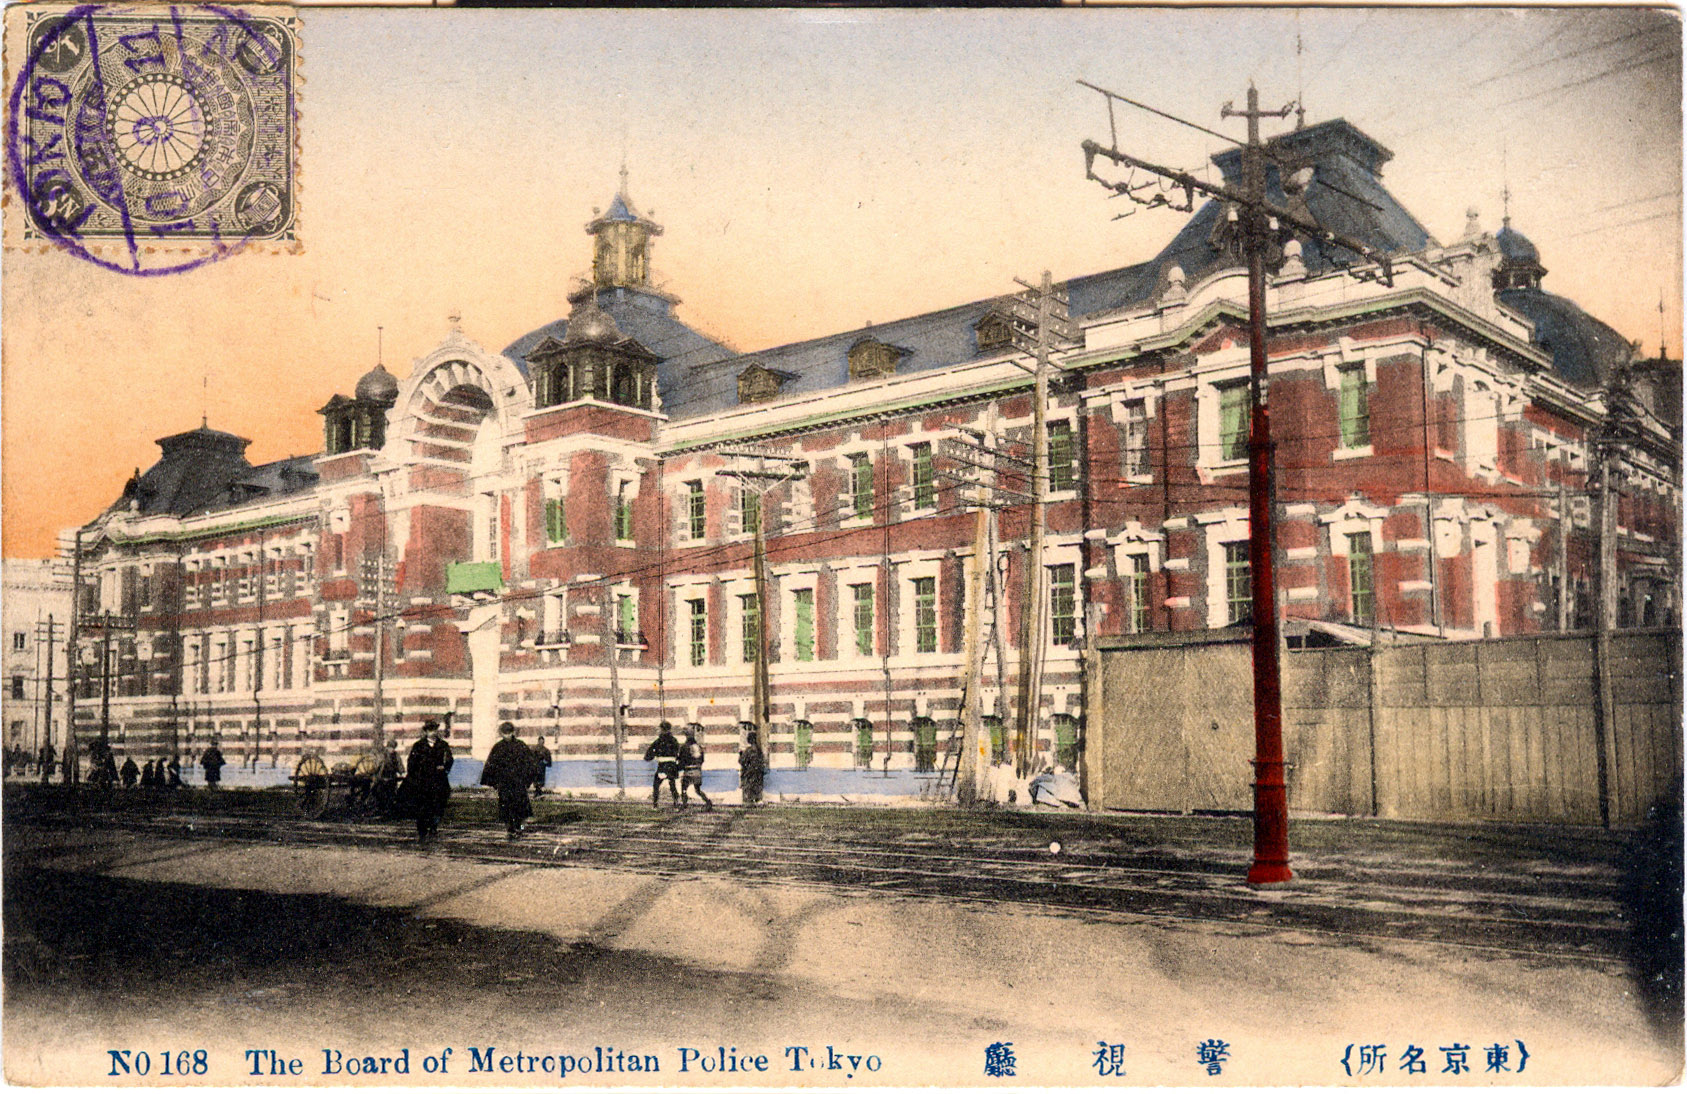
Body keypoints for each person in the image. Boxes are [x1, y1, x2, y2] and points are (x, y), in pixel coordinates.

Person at [397, 719, 453, 842]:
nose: (433, 733)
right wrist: (415, 776)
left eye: (434, 730)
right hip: (423, 782)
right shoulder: (418, 746)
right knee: (422, 806)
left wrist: (445, 767)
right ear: (426, 732)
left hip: (439, 780)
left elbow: (449, 759)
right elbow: (411, 763)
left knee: (438, 804)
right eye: (430, 730)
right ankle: (422, 830)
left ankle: (433, 826)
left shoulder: (443, 745)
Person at [480, 721, 537, 839]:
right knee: (506, 808)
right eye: (505, 733)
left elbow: (530, 763)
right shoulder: (498, 747)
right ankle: (510, 829)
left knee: (521, 809)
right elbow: (491, 764)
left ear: (513, 732)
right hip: (504, 784)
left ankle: (520, 829)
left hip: (518, 783)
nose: (507, 735)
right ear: (501, 733)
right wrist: (494, 782)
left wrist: (527, 780)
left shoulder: (521, 746)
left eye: (509, 732)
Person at [643, 722, 681, 808]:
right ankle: (676, 803)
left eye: (660, 729)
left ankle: (655, 804)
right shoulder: (674, 740)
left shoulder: (659, 741)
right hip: (672, 765)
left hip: (663, 766)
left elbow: (650, 752)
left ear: (662, 729)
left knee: (656, 784)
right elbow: (678, 753)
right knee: (672, 784)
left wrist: (648, 757)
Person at [678, 728, 712, 811]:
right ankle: (708, 802)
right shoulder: (699, 747)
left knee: (684, 788)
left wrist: (678, 767)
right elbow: (702, 759)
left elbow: (681, 760)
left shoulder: (684, 747)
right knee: (697, 790)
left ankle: (684, 804)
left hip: (688, 771)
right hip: (697, 770)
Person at [738, 730, 766, 806]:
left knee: (749, 790)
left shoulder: (748, 751)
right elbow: (762, 761)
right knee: (757, 789)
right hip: (758, 773)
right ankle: (757, 800)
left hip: (749, 774)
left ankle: (750, 802)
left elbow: (742, 761)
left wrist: (740, 754)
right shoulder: (759, 750)